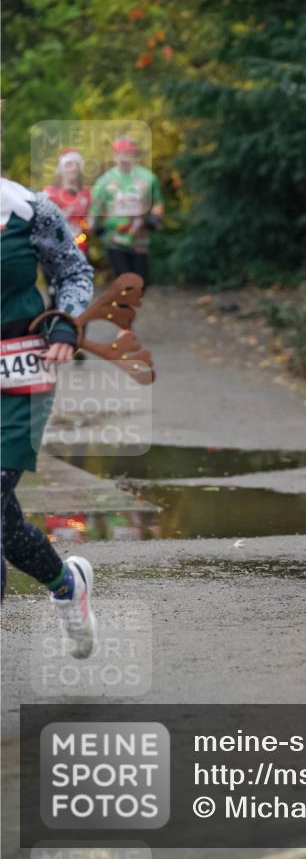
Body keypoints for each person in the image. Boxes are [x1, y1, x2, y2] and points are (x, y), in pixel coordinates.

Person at [1, 176, 97, 656]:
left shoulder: (31, 210)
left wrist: (65, 323)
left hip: (18, 369)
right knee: (5, 523)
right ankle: (67, 585)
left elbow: (75, 274)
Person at [90, 137, 164, 287]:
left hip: (139, 237)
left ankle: (129, 305)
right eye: (119, 154)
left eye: (127, 154)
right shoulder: (105, 181)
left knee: (141, 282)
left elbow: (158, 202)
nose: (123, 158)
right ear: (114, 156)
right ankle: (124, 308)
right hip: (114, 237)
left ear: (135, 155)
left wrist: (155, 217)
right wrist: (93, 225)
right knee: (124, 279)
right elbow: (95, 207)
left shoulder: (148, 178)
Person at [43, 148, 92, 254]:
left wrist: (86, 225)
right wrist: (64, 213)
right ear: (61, 169)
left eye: (76, 165)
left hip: (80, 246)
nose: (73, 169)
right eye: (69, 165)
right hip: (56, 248)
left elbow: (89, 221)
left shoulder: (86, 193)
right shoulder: (50, 193)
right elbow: (44, 222)